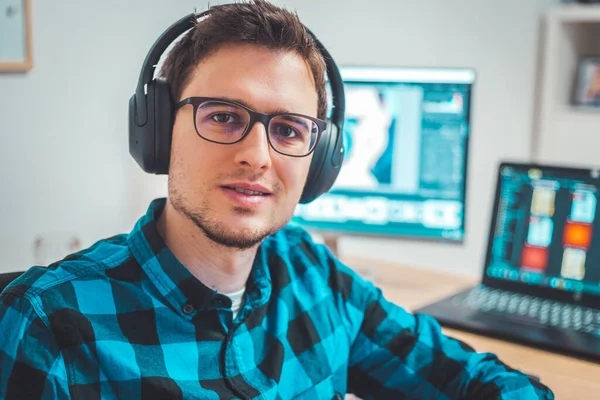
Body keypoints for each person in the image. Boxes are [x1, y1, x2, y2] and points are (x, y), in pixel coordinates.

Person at [0, 1, 554, 399]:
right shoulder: (49, 325)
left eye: (289, 129)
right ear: (158, 130)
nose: (258, 157)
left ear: (321, 158)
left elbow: (467, 378)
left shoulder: (313, 274)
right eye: (223, 116)